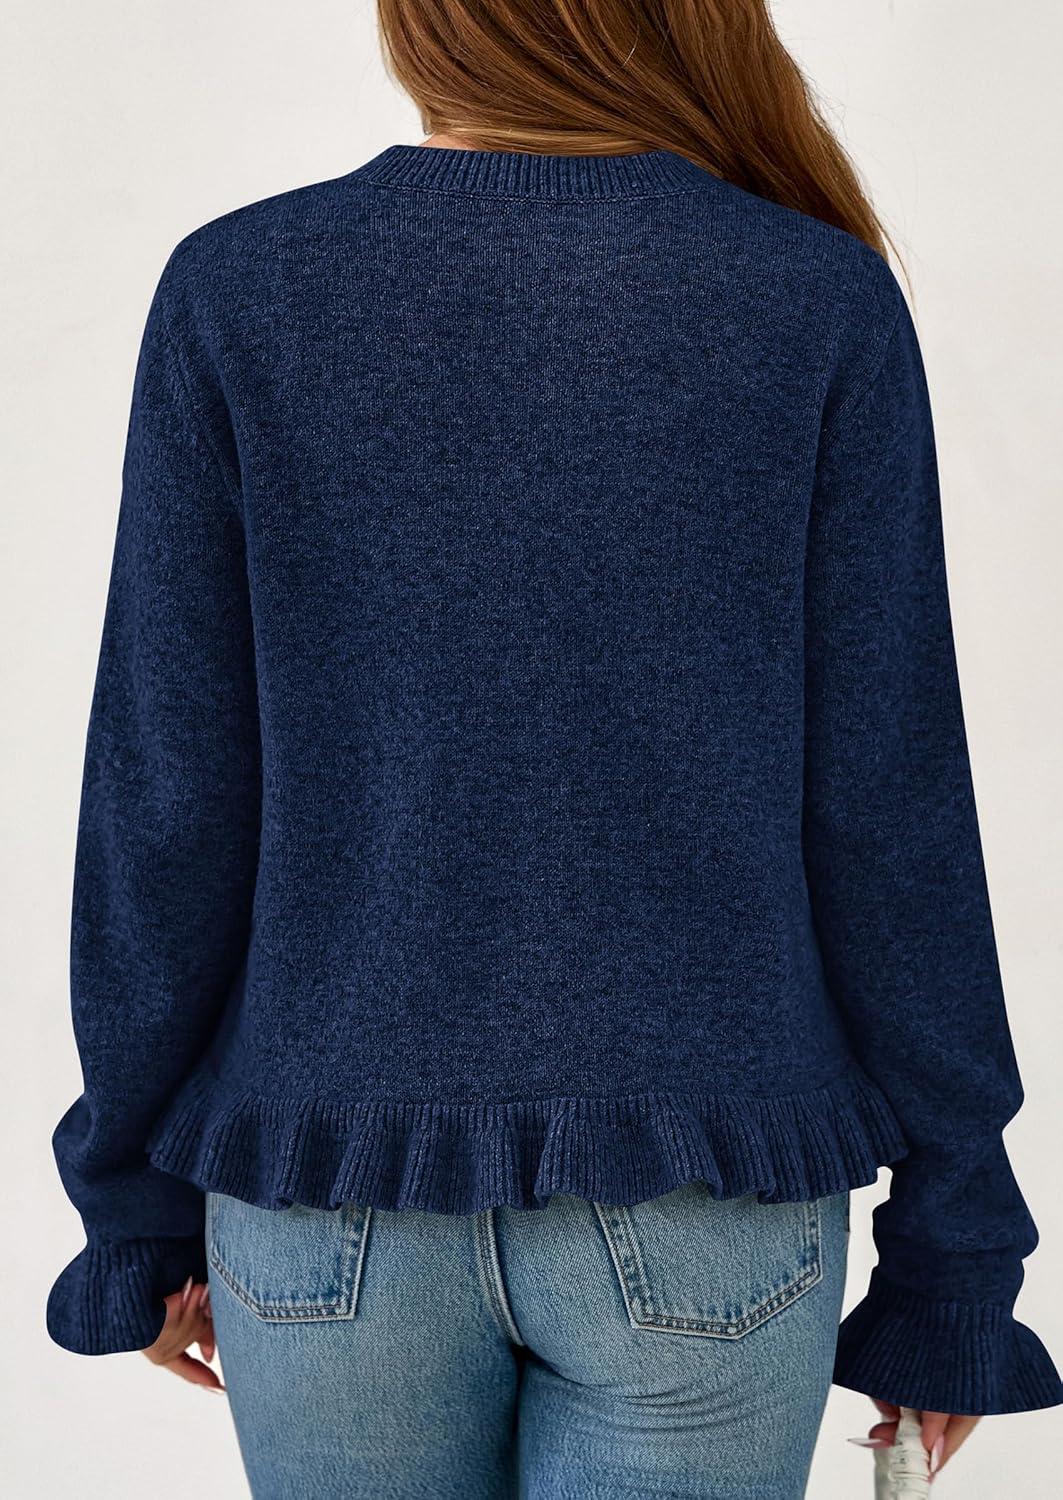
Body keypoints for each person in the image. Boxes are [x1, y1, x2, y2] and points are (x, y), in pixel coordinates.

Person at [47, 2, 1060, 1496]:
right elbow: (890, 815)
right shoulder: (814, 299)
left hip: (326, 1196)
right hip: (707, 1186)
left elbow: (167, 802)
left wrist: (131, 1206)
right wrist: (954, 1249)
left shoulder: (239, 289)